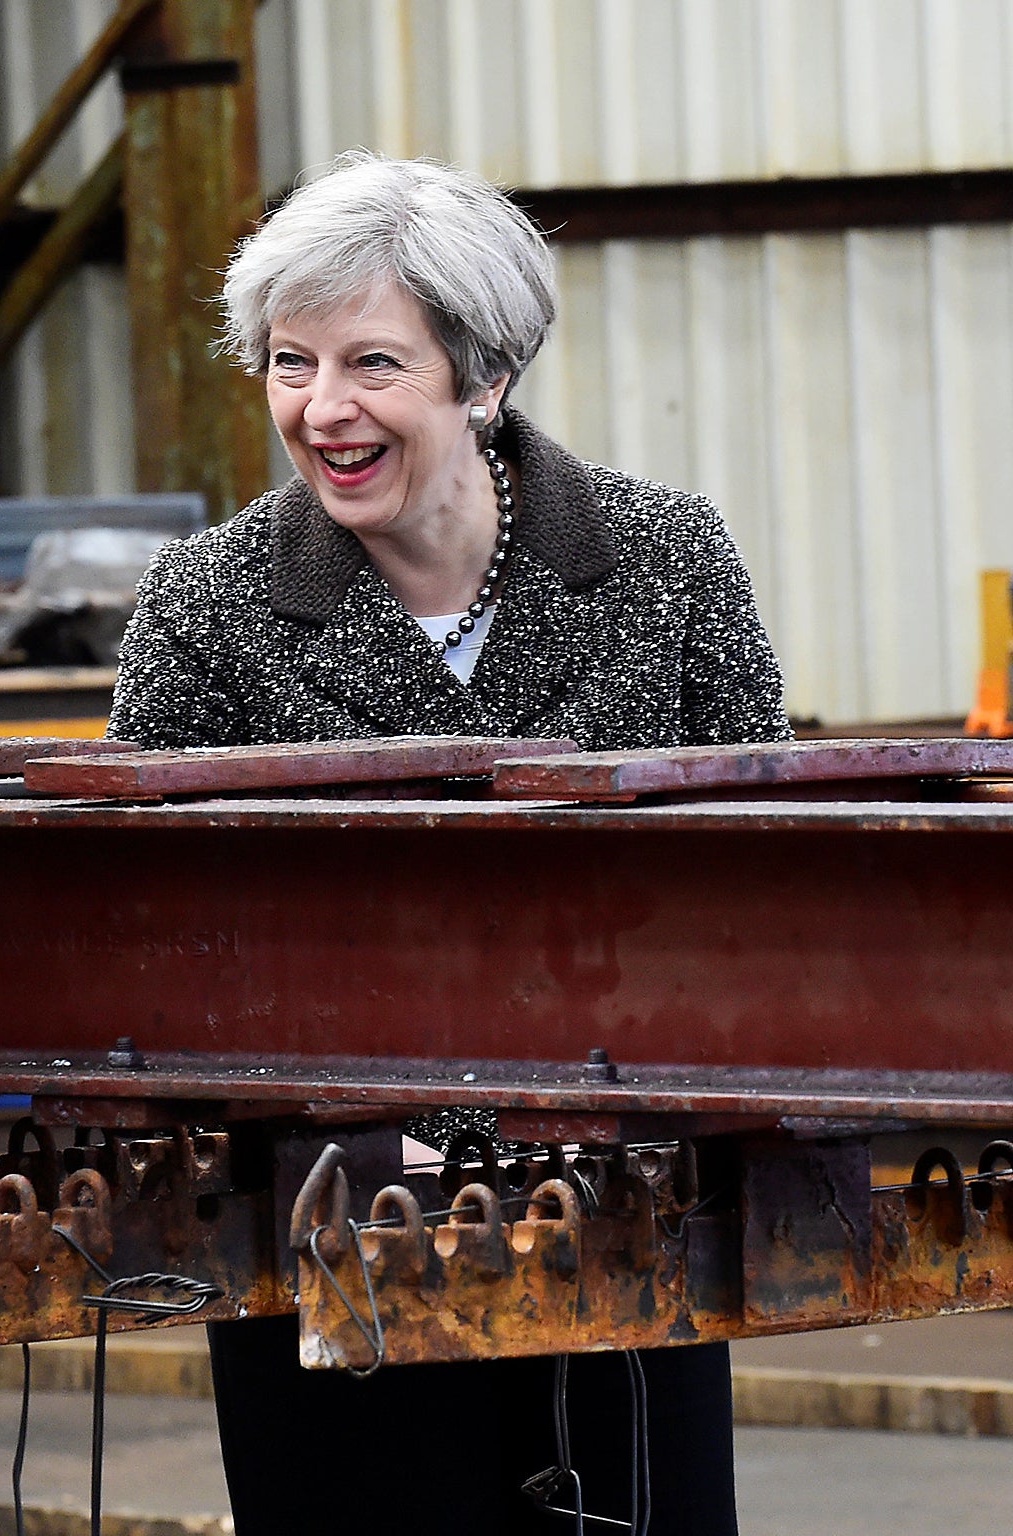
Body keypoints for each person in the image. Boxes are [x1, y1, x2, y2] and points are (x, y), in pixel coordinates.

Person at [110, 151, 788, 1535]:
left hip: (628, 1217)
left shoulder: (666, 562)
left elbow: (756, 880)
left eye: (373, 363)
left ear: (484, 376)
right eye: (289, 363)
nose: (323, 410)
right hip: (338, 1238)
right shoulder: (205, 603)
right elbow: (156, 943)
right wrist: (350, 1141)